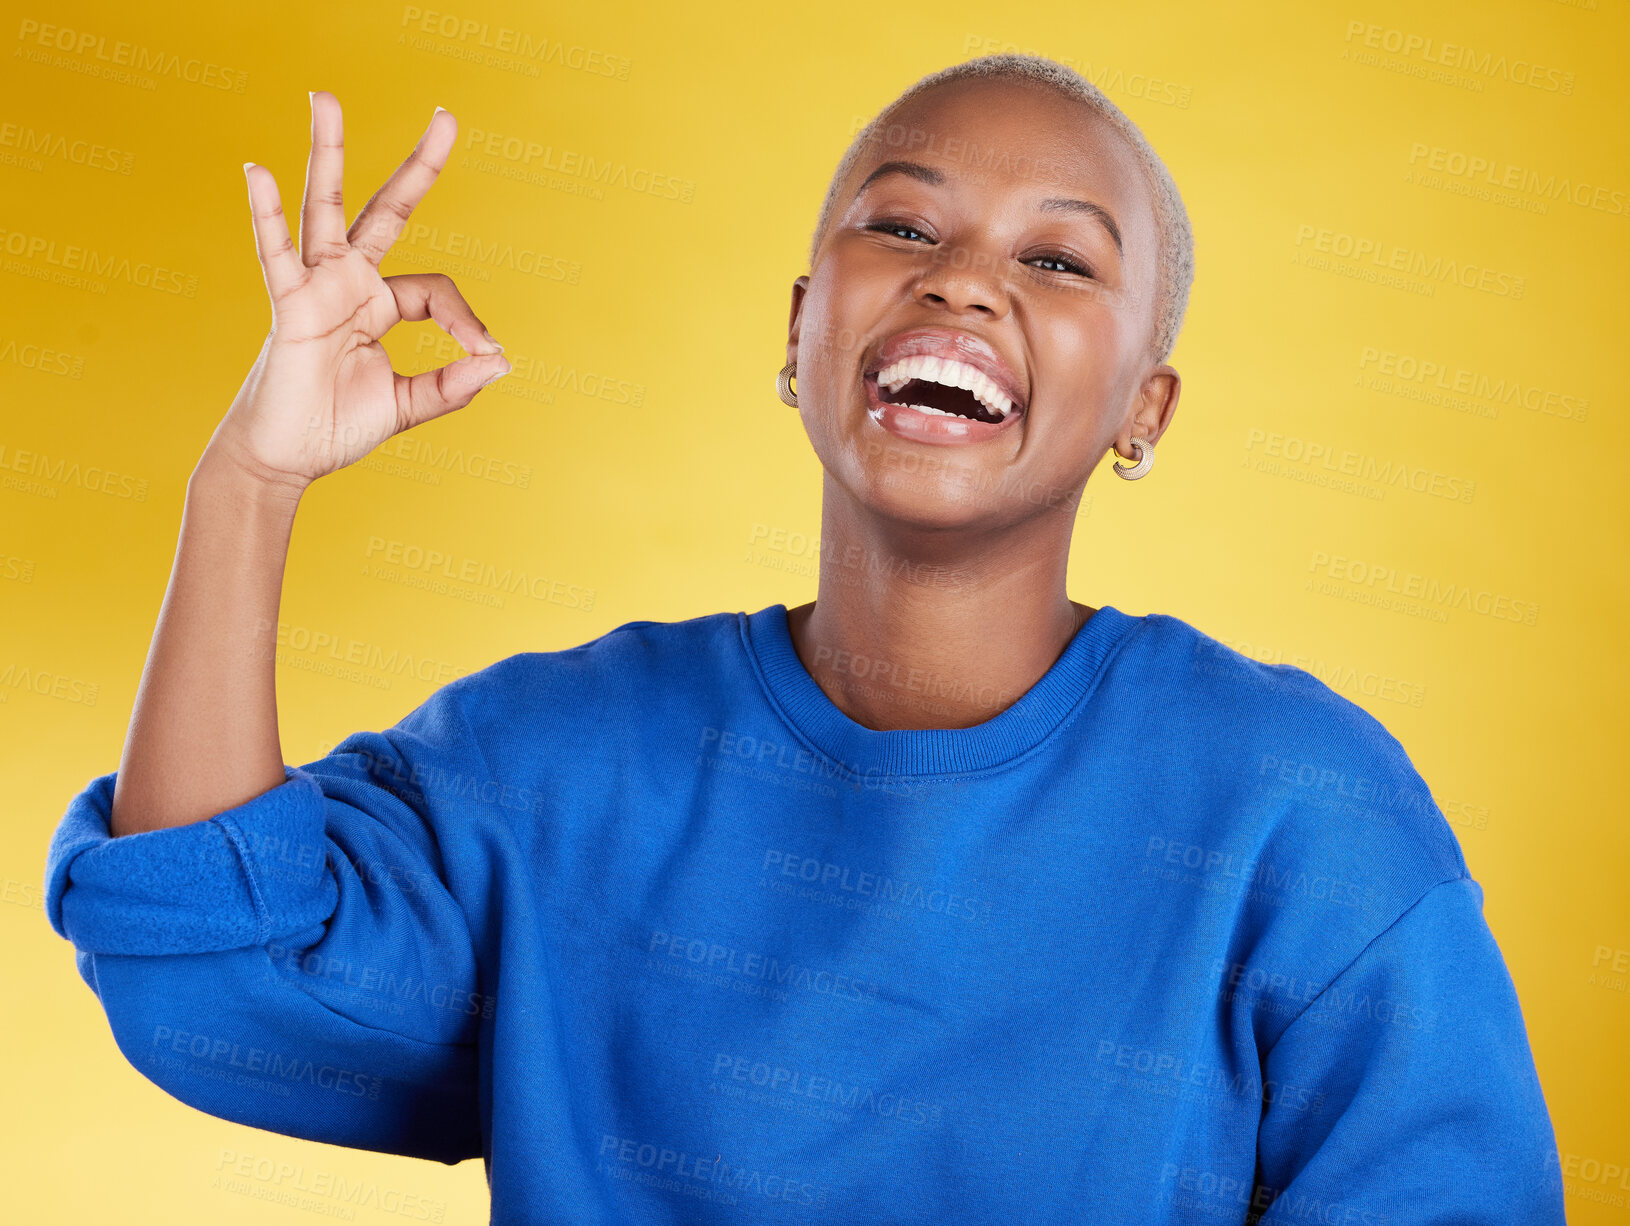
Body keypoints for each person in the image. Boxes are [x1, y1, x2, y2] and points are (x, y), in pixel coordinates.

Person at [43, 54, 1565, 1225]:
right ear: (796, 335)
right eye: (899, 222)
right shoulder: (557, 761)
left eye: (1057, 259)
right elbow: (209, 975)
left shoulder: (1297, 808)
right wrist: (249, 478)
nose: (958, 275)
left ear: (1141, 412)